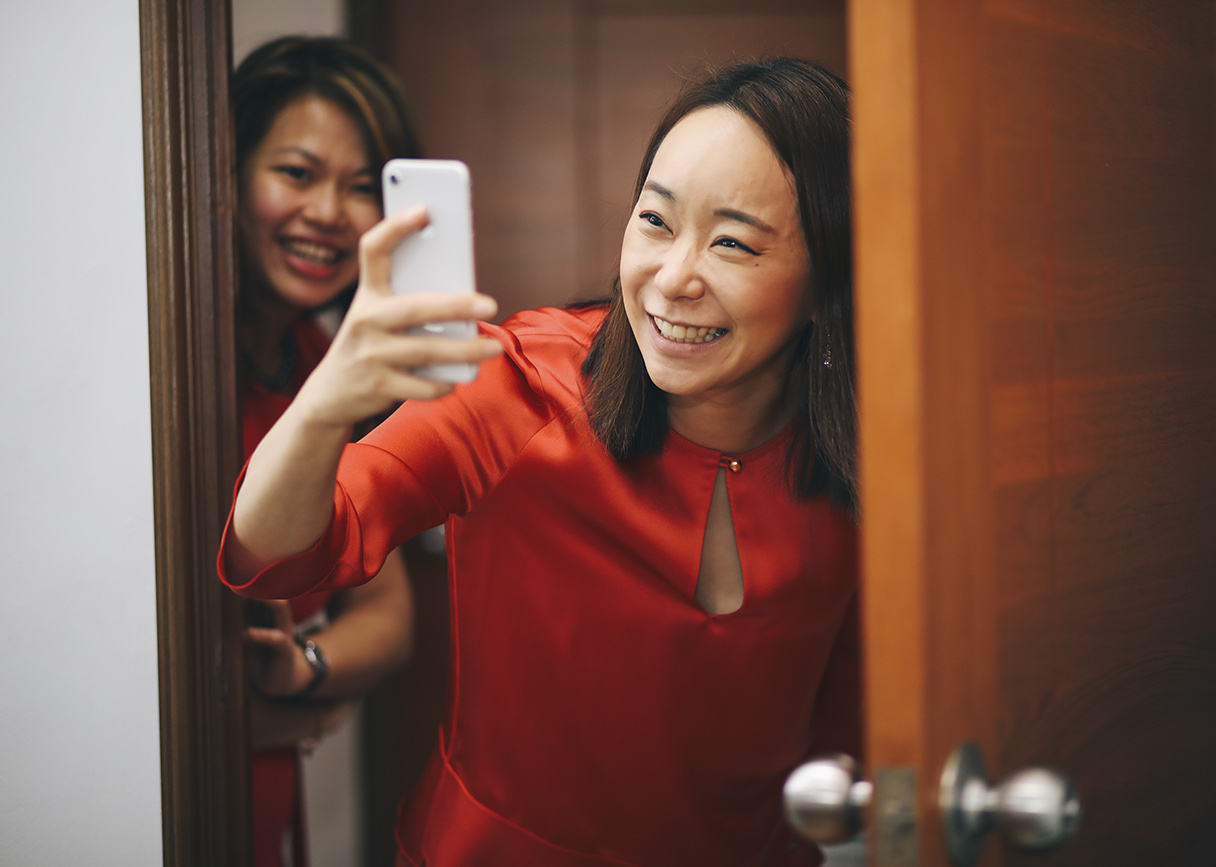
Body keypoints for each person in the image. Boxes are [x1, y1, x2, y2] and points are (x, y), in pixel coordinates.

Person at [221, 57, 860, 866]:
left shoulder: (866, 460)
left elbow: (849, 720)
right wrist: (328, 395)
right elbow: (275, 554)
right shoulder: (516, 381)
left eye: (732, 242)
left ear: (829, 275)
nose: (671, 278)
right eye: (655, 221)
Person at [229, 35, 423, 867]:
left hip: (265, 785)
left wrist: (305, 676)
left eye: (360, 188)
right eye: (297, 174)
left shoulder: (318, 359)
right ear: (229, 177)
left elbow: (389, 616)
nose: (330, 214)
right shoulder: (172, 377)